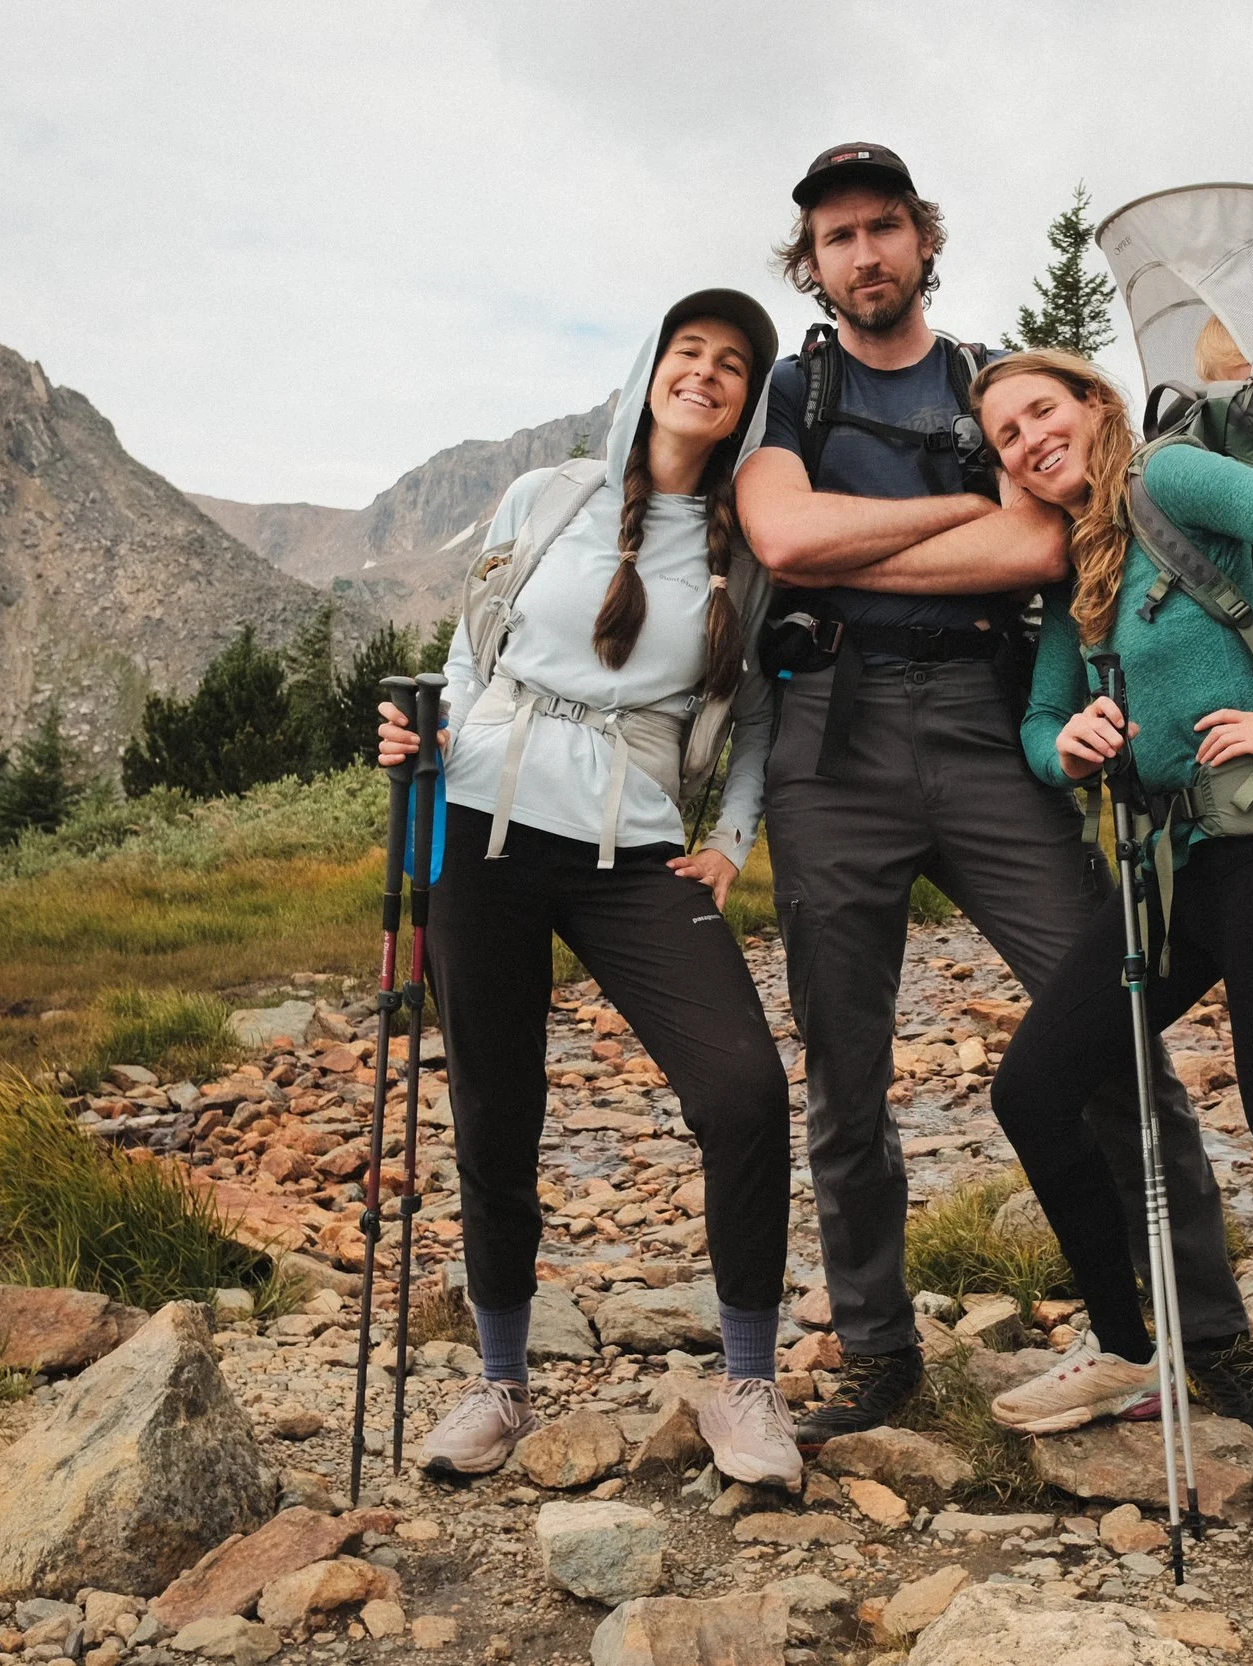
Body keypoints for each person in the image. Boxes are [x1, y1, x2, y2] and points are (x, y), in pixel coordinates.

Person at [736, 141, 1253, 1455]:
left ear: (923, 237)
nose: (863, 254)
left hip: (988, 723)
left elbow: (1037, 539)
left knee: (1112, 1029)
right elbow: (783, 540)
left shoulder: (992, 387)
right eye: (837, 238)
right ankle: (876, 1352)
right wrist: (943, 532)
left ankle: (1204, 1339)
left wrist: (879, 538)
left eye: (883, 228)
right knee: (845, 1075)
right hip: (829, 742)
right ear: (812, 262)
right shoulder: (791, 392)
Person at [377, 290, 802, 1491]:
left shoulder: (746, 547)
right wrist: (427, 738)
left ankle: (748, 1383)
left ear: (745, 402)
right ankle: (500, 1384)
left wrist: (730, 835)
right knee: (495, 1110)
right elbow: (474, 638)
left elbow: (758, 714)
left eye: (731, 365)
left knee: (743, 1089)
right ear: (652, 368)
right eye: (688, 352)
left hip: (636, 850)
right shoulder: (546, 495)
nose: (705, 374)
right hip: (481, 823)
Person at [969, 348, 1253, 1521]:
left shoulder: (1179, 476)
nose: (1028, 440)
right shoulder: (1081, 572)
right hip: (1168, 868)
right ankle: (1121, 1345)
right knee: (1033, 1090)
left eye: (1040, 411)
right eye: (1005, 435)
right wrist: (1070, 744)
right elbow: (1042, 715)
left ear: (1091, 404)